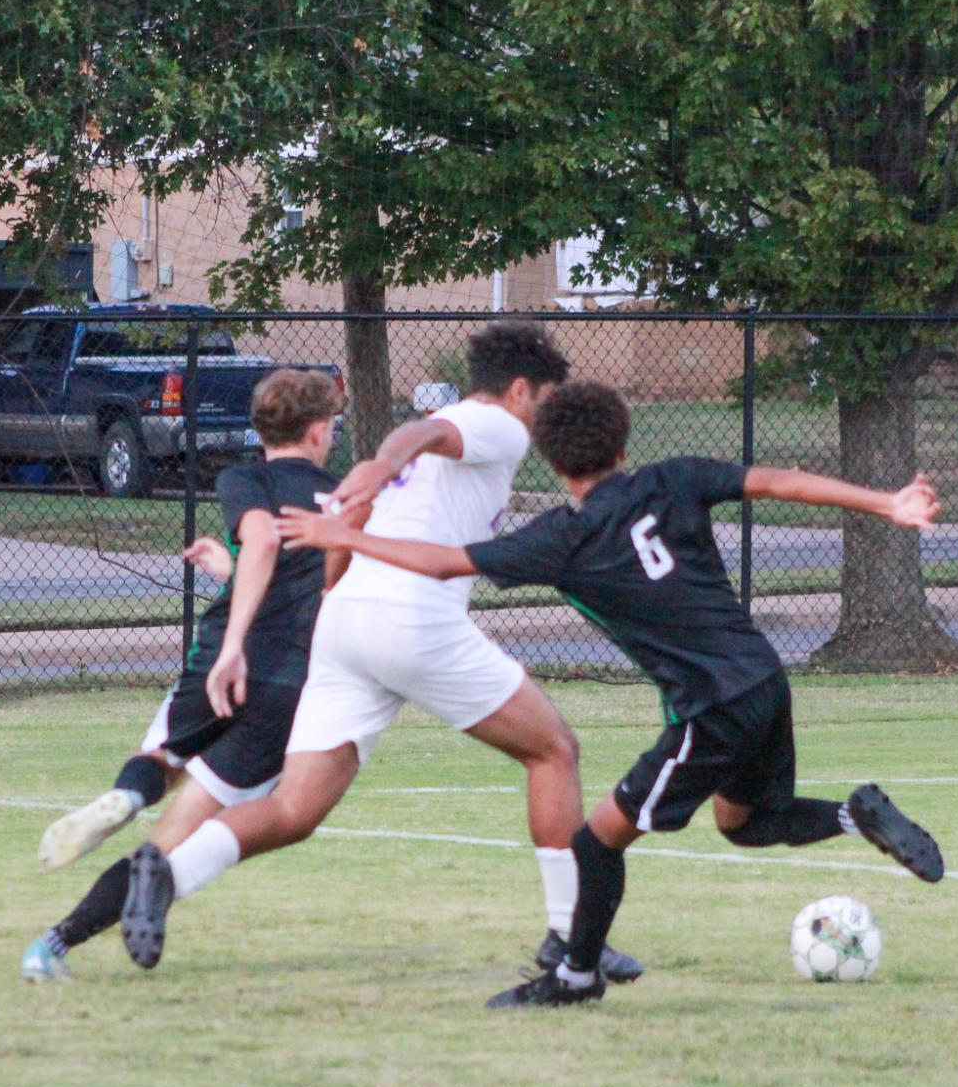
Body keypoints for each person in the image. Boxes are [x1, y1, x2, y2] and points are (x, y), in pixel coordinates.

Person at [276, 380, 946, 1008]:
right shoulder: (673, 479)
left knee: (596, 845)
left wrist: (344, 536)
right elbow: (780, 481)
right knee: (744, 824)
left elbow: (444, 561)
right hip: (764, 680)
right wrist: (886, 502)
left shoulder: (562, 539)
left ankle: (573, 976)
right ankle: (855, 815)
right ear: (623, 446)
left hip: (709, 709)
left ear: (550, 461)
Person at [116, 323, 643, 982]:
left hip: (345, 626)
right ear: (516, 390)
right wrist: (384, 462)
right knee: (553, 750)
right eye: (543, 398)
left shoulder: (444, 425)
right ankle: (569, 938)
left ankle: (164, 872)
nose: (544, 416)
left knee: (295, 810)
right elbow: (420, 437)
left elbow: (357, 516)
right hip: (412, 620)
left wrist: (341, 580)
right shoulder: (496, 425)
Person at [21, 368, 344, 981]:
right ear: (320, 432)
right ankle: (56, 943)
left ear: (260, 427)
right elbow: (297, 573)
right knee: (170, 843)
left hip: (222, 656)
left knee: (162, 760)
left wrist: (232, 636)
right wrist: (240, 569)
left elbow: (264, 547)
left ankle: (126, 798)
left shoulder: (245, 477)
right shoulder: (346, 499)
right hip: (290, 683)